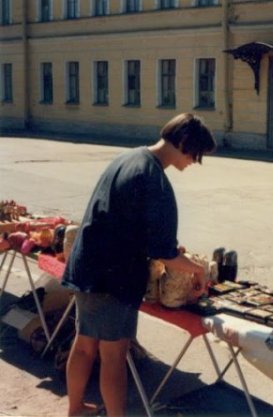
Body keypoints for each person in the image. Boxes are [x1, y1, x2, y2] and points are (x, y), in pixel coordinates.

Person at [61, 112, 217, 417]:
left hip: (86, 266)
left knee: (83, 345)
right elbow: (164, 252)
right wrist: (198, 270)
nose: (194, 163)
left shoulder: (128, 157)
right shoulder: (154, 179)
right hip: (114, 277)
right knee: (114, 355)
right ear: (184, 142)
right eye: (195, 155)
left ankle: (75, 408)